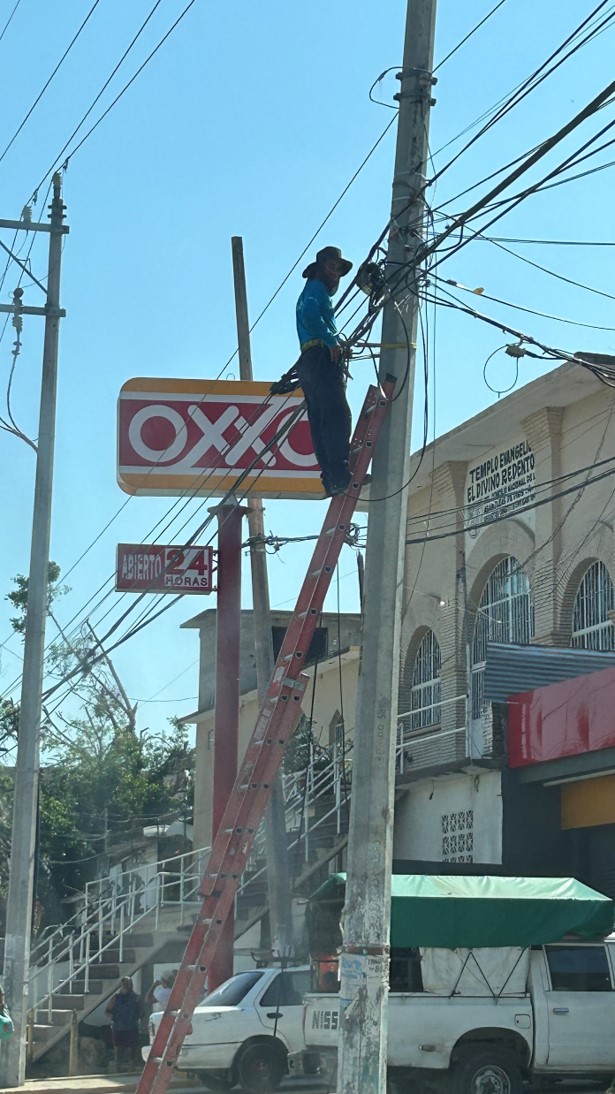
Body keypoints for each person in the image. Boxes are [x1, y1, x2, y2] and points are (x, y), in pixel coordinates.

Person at [296, 246, 355, 496]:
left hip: (309, 360)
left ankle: (330, 479)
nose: (336, 274)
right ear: (320, 269)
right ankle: (340, 474)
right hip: (320, 356)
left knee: (320, 420)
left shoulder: (311, 291)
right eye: (332, 267)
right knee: (337, 415)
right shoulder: (315, 289)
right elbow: (311, 315)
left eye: (339, 270)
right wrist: (332, 341)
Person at [106, 976, 141, 1072]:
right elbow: (108, 1011)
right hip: (118, 1028)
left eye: (128, 983)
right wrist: (114, 1018)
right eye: (124, 983)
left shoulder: (136, 998)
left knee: (132, 1051)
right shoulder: (116, 998)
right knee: (118, 1051)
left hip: (131, 1027)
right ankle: (118, 1070)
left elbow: (141, 1013)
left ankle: (131, 1070)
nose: (126, 985)